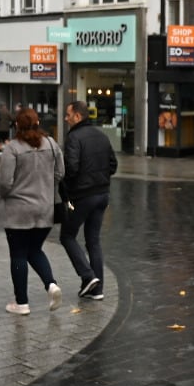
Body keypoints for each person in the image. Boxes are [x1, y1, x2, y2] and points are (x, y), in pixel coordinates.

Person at [0, 108, 65, 315]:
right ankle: (51, 285)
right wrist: (44, 186)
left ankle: (22, 303)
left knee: (18, 254)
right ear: (38, 123)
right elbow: (60, 173)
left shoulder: (13, 148)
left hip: (19, 210)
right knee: (35, 249)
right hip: (45, 208)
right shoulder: (52, 144)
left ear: (17, 125)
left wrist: (5, 193)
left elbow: (5, 182)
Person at [60, 99, 118, 301]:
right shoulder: (101, 135)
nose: (65, 119)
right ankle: (97, 290)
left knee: (67, 236)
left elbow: (71, 169)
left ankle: (87, 276)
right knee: (93, 240)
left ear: (77, 116)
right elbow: (113, 164)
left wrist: (67, 187)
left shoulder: (74, 137)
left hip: (82, 196)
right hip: (102, 194)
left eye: (68, 115)